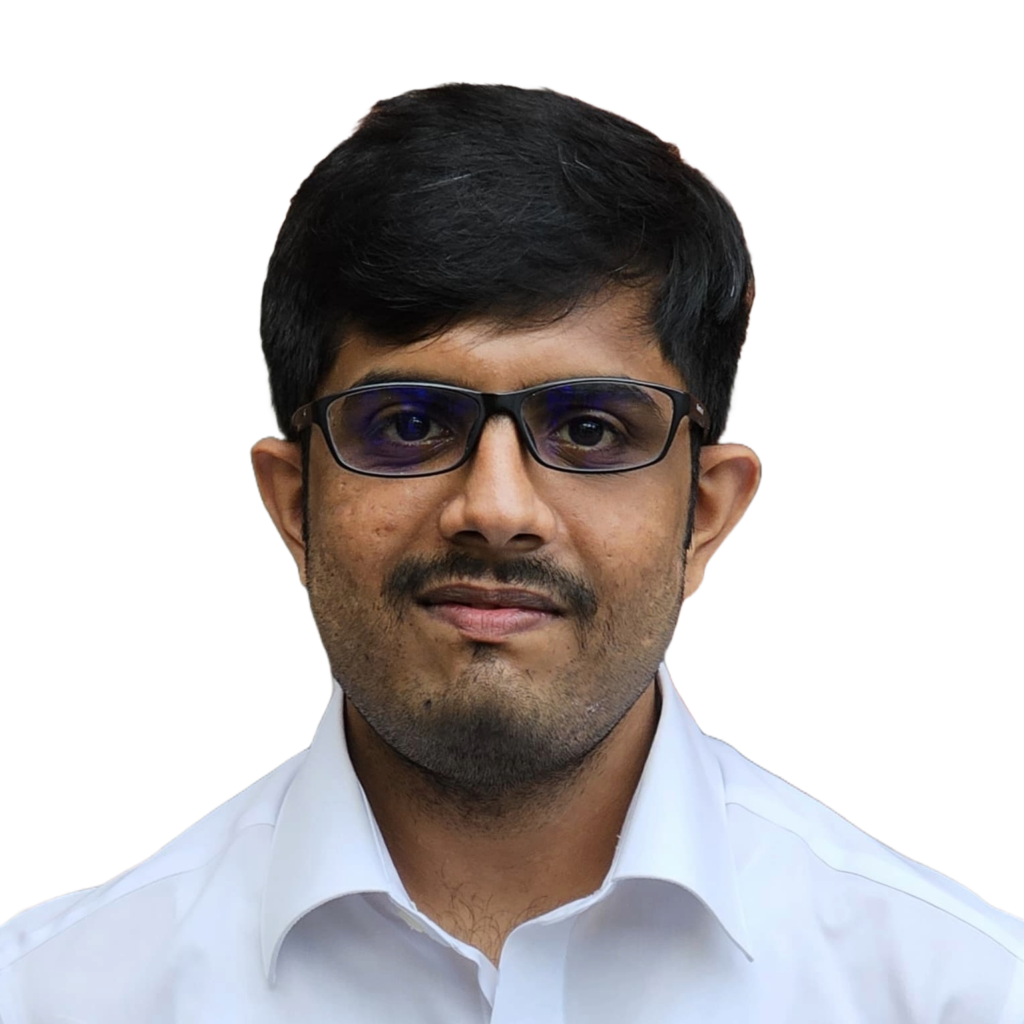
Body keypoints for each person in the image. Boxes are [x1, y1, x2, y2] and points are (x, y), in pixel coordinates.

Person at [1, 81, 1020, 1023]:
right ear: (293, 505)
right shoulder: (57, 995)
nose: (494, 508)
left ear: (705, 516)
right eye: (407, 424)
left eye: (589, 429)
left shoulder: (956, 993)